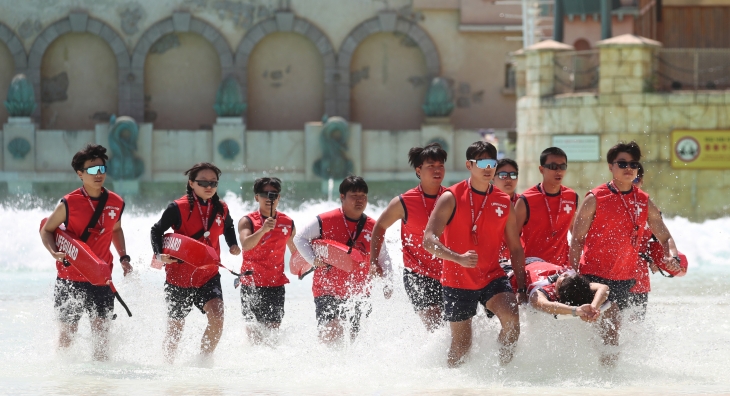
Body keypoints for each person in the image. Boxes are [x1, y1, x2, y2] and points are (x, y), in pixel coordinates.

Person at [569, 141, 681, 366]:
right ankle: (609, 383)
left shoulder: (644, 200)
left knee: (628, 334)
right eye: (622, 163)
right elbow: (577, 239)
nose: (629, 168)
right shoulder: (595, 198)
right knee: (610, 334)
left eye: (633, 164)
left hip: (627, 279)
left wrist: (673, 256)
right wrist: (574, 274)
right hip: (595, 277)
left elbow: (665, 237)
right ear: (611, 166)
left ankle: (614, 377)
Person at [424, 141, 527, 367]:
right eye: (482, 163)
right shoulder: (451, 196)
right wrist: (457, 258)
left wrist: (522, 286)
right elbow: (428, 240)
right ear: (469, 165)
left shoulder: (503, 200)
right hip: (457, 280)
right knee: (462, 346)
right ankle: (452, 385)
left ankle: (501, 375)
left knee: (511, 319)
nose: (488, 168)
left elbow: (516, 248)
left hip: (492, 275)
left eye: (493, 163)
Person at [39, 143, 133, 361]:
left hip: (101, 279)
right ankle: (64, 384)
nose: (98, 174)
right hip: (70, 278)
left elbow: (116, 229)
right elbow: (47, 230)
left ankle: (97, 387)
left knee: (102, 338)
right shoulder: (69, 203)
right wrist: (54, 252)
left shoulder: (116, 202)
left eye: (102, 169)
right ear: (80, 173)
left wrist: (124, 257)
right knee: (67, 336)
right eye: (92, 170)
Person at [150, 162, 241, 362]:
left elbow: (229, 226)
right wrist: (159, 256)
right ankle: (167, 366)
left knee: (217, 318)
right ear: (192, 183)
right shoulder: (178, 207)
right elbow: (156, 230)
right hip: (178, 277)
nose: (209, 187)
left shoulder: (221, 208)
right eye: (203, 182)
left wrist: (232, 244)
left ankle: (203, 363)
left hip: (208, 275)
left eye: (213, 183)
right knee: (176, 329)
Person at [293, 176, 391, 344]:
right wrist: (313, 259)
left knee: (356, 340)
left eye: (363, 196)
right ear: (342, 197)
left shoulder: (374, 226)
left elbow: (383, 257)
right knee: (332, 332)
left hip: (359, 292)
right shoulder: (325, 220)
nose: (360, 200)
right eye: (354, 195)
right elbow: (299, 238)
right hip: (327, 289)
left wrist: (388, 283)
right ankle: (326, 367)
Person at [370, 143, 447, 332]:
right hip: (417, 275)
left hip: (449, 272)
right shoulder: (404, 202)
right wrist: (374, 260)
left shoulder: (451, 198)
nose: (437, 171)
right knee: (436, 327)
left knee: (455, 327)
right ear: (419, 170)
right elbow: (379, 227)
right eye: (431, 166)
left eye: (440, 166)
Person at [238, 177, 297, 344]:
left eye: (274, 194)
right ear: (256, 197)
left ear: (279, 197)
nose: (269, 198)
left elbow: (295, 252)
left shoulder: (288, 223)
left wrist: (312, 262)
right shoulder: (247, 220)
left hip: (276, 285)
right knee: (254, 337)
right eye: (265, 194)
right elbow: (246, 244)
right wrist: (263, 230)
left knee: (272, 337)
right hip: (251, 285)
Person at [514, 147, 578, 266]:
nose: (558, 171)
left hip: (562, 268)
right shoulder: (526, 200)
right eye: (553, 167)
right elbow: (513, 240)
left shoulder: (572, 197)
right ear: (541, 169)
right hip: (533, 267)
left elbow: (576, 233)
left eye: (562, 167)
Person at [526, 266, 608, 321]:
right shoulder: (577, 286)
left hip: (529, 263)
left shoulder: (542, 293)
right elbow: (604, 288)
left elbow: (544, 305)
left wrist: (576, 311)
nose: (565, 274)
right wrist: (593, 307)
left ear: (557, 293)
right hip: (546, 264)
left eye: (564, 277)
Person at [492, 158, 520, 267]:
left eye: (513, 175)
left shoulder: (523, 203)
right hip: (491, 263)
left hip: (516, 261)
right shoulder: (484, 201)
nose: (508, 179)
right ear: (493, 177)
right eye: (503, 175)